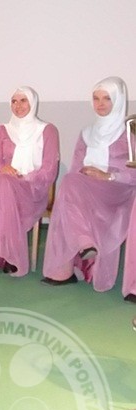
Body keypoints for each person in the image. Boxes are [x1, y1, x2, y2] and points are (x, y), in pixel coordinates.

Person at [42, 76, 136, 290]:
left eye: (107, 98)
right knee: (69, 183)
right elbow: (76, 167)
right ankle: (79, 250)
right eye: (96, 98)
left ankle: (74, 256)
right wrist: (87, 176)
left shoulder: (129, 134)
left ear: (118, 101)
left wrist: (108, 176)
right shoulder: (87, 133)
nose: (100, 104)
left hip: (118, 191)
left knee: (69, 188)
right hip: (88, 189)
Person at [0, 87, 59, 277]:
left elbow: (49, 171)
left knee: (0, 186)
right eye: (14, 101)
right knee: (1, 183)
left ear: (32, 103)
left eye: (23, 100)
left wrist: (24, 176)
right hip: (4, 185)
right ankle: (4, 254)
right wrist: (1, 169)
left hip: (32, 189)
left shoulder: (47, 130)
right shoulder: (2, 131)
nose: (18, 106)